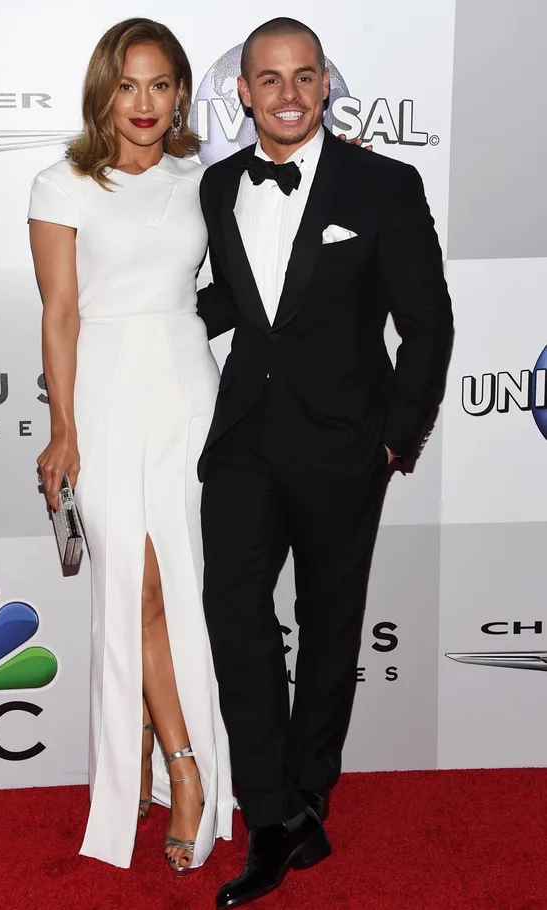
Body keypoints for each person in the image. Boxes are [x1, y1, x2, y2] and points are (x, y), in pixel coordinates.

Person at [196, 17, 454, 909]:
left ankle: (308, 796)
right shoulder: (219, 184)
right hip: (243, 440)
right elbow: (237, 301)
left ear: (325, 84)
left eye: (305, 76)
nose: (289, 94)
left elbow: (428, 322)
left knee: (331, 623)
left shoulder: (383, 184)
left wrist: (396, 437)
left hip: (345, 443)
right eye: (269, 79)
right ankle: (269, 812)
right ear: (244, 92)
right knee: (233, 613)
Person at [28, 18, 235, 873]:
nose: (143, 102)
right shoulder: (61, 184)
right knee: (136, 585)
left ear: (181, 93)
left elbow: (260, 260)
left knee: (182, 583)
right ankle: (183, 768)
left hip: (188, 390)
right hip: (106, 395)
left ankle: (159, 753)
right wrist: (63, 429)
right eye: (126, 85)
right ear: (103, 92)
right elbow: (60, 314)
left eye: (159, 84)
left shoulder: (204, 179)